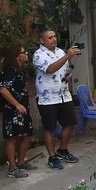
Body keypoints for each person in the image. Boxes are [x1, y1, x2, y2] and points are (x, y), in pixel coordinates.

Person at [32, 29, 81, 170]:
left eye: (54, 36)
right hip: (47, 97)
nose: (54, 39)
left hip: (64, 95)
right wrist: (67, 56)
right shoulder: (38, 55)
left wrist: (67, 76)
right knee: (50, 128)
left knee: (70, 123)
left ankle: (63, 150)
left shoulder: (60, 52)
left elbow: (62, 70)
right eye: (50, 37)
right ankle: (52, 157)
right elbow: (50, 69)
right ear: (42, 40)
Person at [0, 43, 34, 179]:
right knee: (13, 137)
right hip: (13, 110)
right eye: (23, 52)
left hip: (23, 109)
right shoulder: (10, 71)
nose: (26, 54)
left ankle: (20, 161)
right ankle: (12, 168)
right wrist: (17, 104)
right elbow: (3, 89)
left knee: (27, 134)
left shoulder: (19, 71)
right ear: (16, 57)